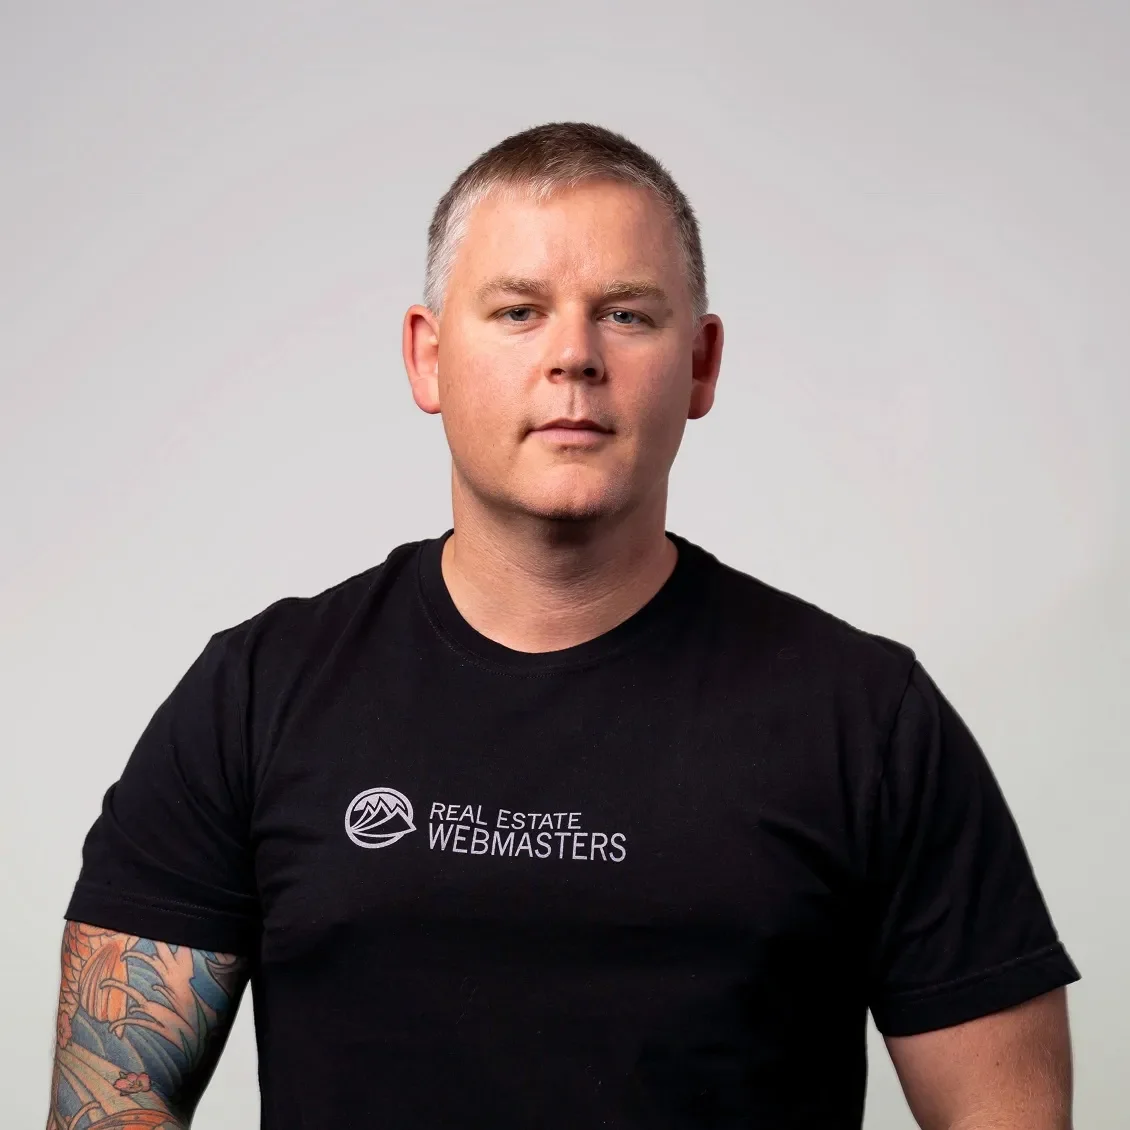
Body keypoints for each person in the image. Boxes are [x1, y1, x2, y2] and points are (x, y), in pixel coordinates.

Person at [47, 122, 1080, 1130]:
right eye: (518, 311)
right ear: (427, 357)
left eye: (626, 314)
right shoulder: (256, 694)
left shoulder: (866, 718)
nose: (574, 356)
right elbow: (109, 1103)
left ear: (701, 364)